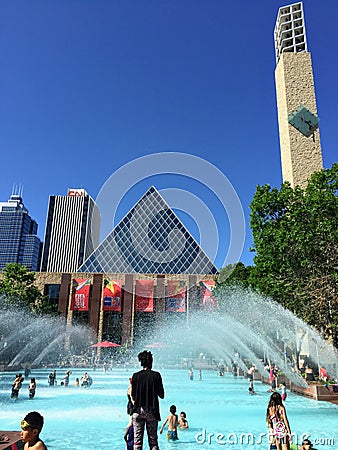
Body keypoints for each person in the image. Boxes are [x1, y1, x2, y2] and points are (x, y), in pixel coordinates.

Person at [131, 350, 164, 450]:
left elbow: (133, 395)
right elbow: (162, 395)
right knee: (153, 441)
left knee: (137, 442)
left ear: (141, 362)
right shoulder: (156, 375)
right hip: (152, 411)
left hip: (137, 410)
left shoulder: (135, 376)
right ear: (151, 362)